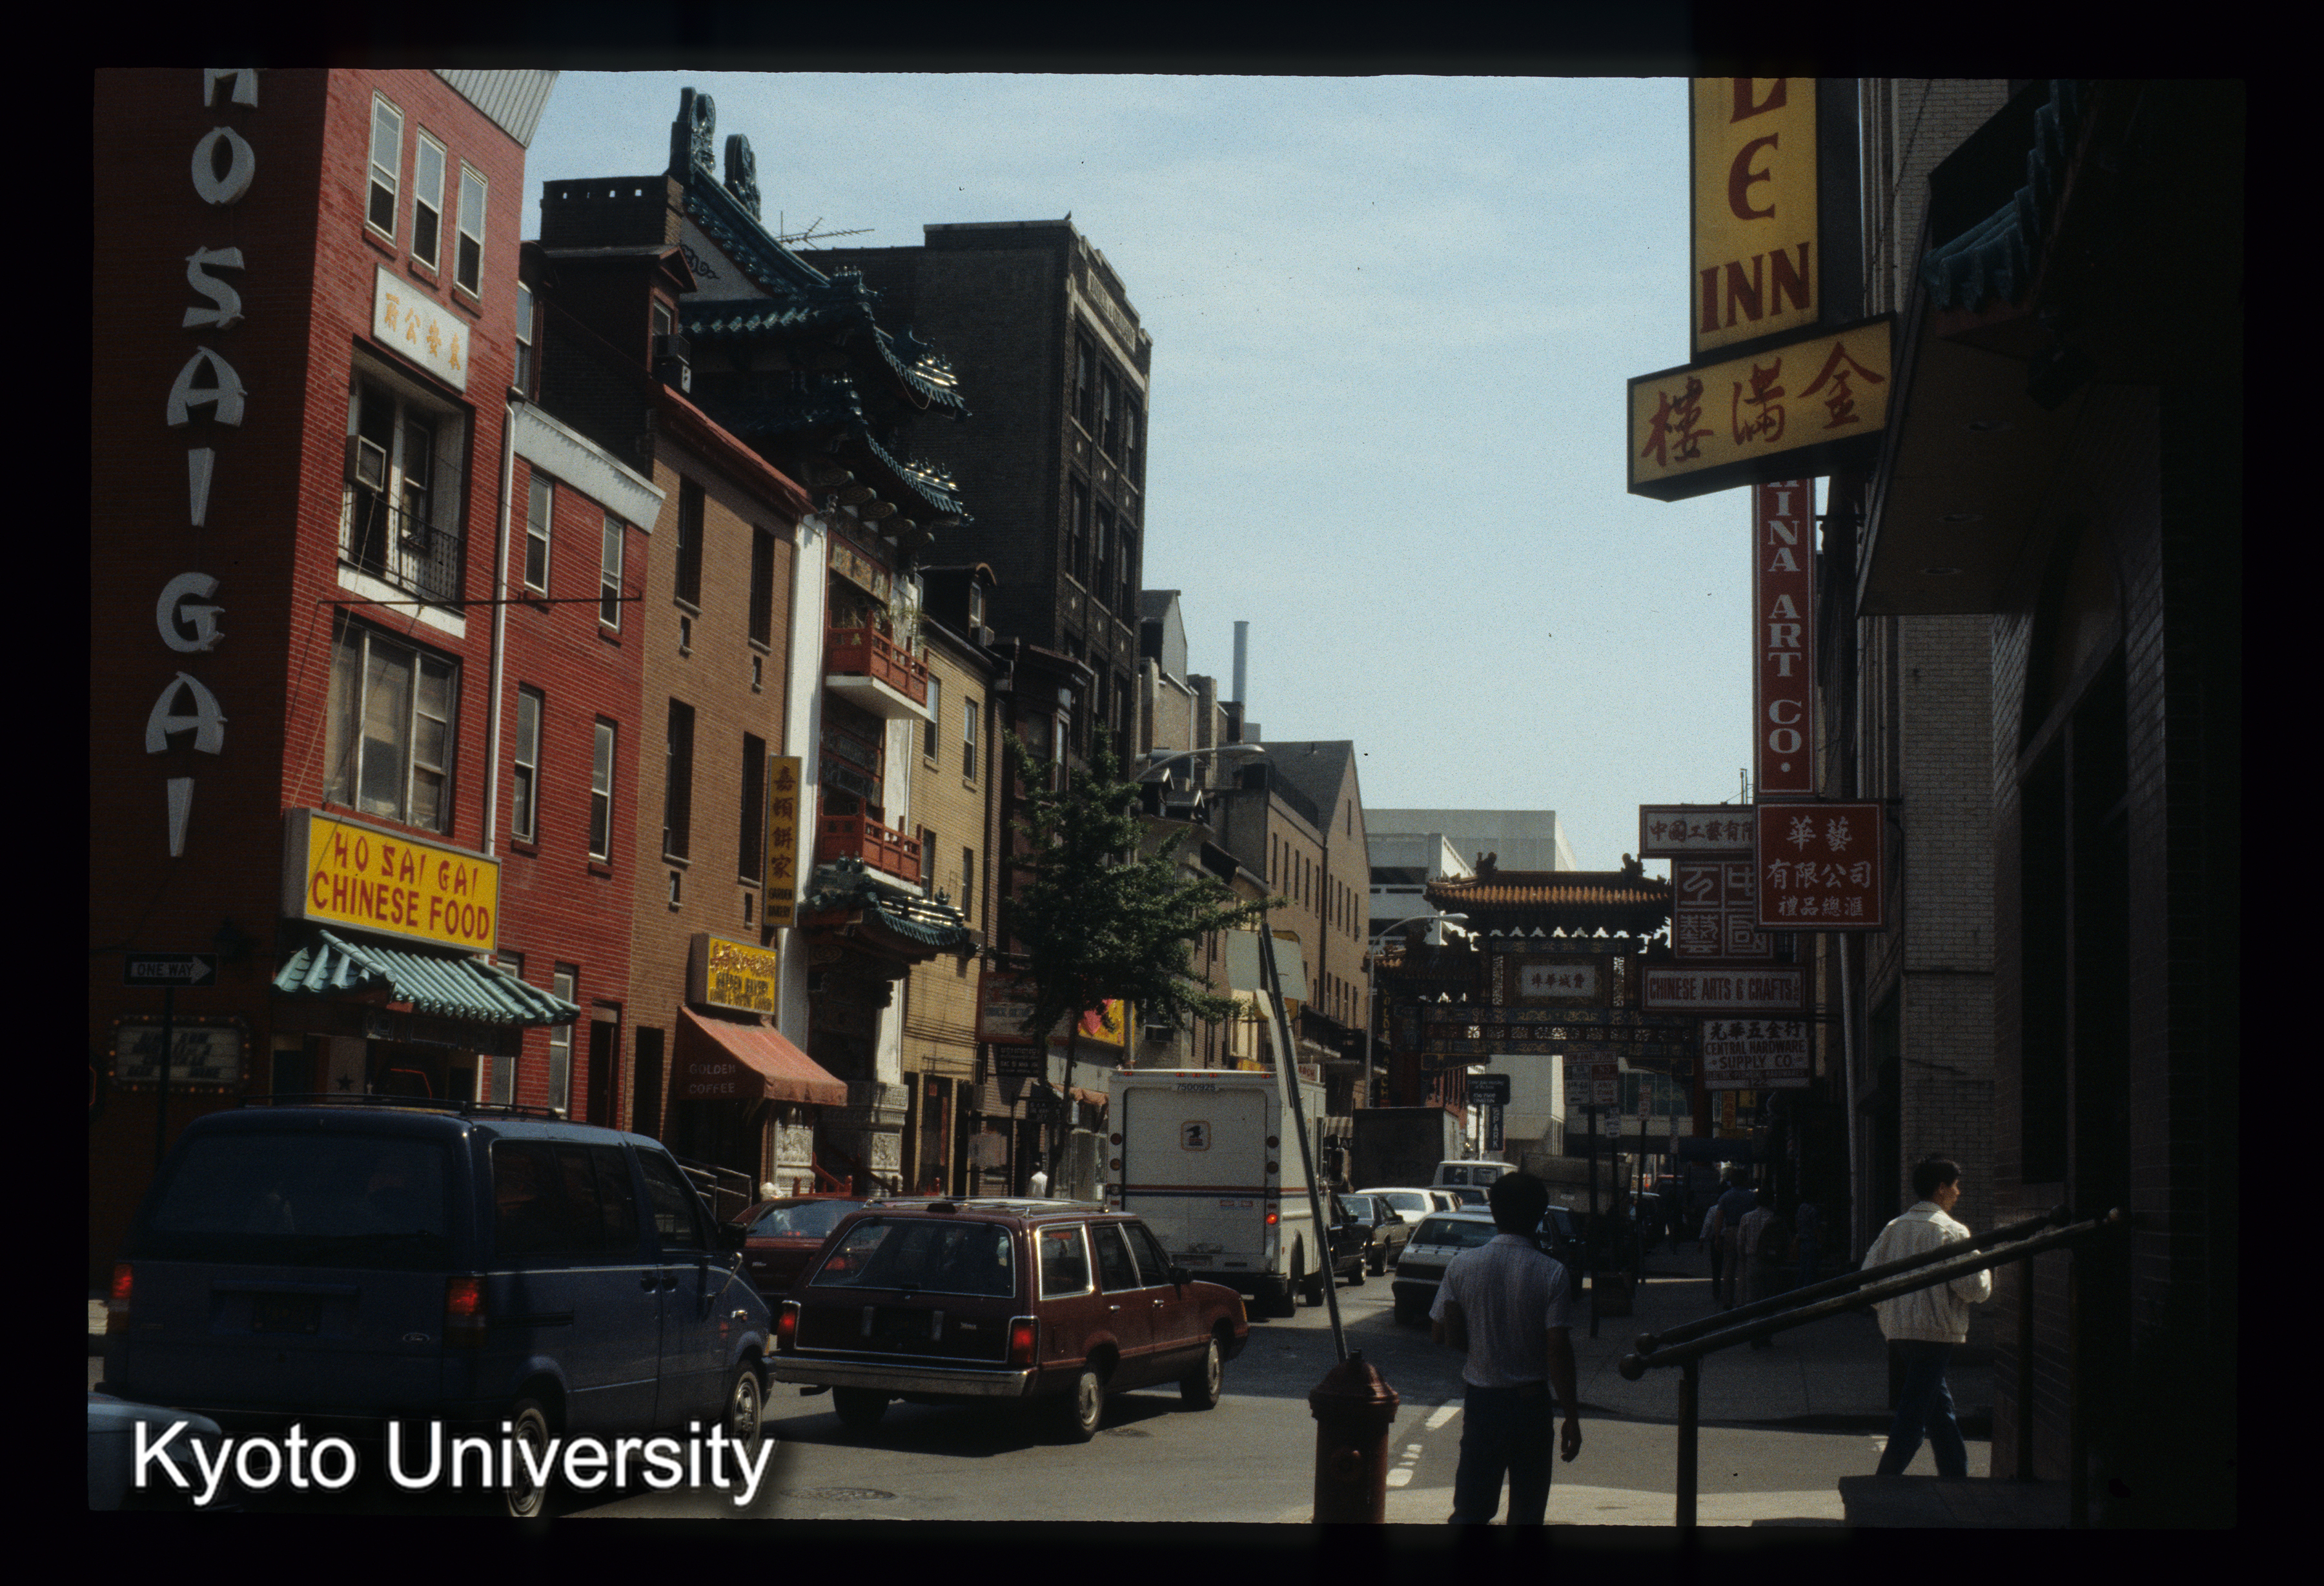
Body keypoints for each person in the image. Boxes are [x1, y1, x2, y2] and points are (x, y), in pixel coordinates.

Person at [1429, 1172, 1584, 1525]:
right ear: (1540, 1216)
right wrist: (1572, 1417)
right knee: (1528, 1511)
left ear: (1494, 1213)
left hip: (1483, 1402)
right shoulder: (1552, 1273)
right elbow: (1557, 1349)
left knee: (1472, 1509)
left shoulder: (1462, 1266)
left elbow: (1440, 1334)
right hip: (1531, 1405)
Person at [1865, 1157, 1992, 1479]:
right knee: (1916, 1414)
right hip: (1935, 1331)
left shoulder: (1894, 1228)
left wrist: (1893, 1310)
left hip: (1899, 1331)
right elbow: (1974, 1287)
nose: (1958, 1193)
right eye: (1955, 1186)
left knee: (1938, 1408)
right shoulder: (1951, 1231)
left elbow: (1868, 1281)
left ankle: (1956, 1476)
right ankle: (1884, 1481)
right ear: (1941, 1188)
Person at [1738, 1191, 1793, 1347]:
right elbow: (1786, 1242)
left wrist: (1743, 1258)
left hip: (1753, 1260)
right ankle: (1766, 1335)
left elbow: (1740, 1242)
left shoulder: (1747, 1218)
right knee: (1769, 1300)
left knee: (1753, 1300)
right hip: (1771, 1263)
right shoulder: (1776, 1220)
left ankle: (1754, 1334)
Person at [1711, 1173, 1757, 1308]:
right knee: (1743, 1265)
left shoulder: (1726, 1197)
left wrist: (1717, 1236)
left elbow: (1719, 1218)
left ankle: (1727, 1299)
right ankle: (1741, 1300)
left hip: (1731, 1230)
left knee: (1729, 1266)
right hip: (1747, 1230)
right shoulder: (1752, 1196)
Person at [1791, 1198, 1822, 1291]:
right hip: (1811, 1242)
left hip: (1803, 1241)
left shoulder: (1801, 1208)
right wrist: (1820, 1242)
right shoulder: (1812, 1211)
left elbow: (1797, 1222)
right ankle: (1807, 1296)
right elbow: (1816, 1228)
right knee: (1810, 1271)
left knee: (1802, 1271)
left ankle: (1798, 1294)